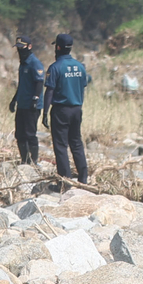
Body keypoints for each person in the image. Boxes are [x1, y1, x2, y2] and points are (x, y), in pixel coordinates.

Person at [41, 33, 91, 184]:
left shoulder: (55, 67)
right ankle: (83, 178)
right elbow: (82, 86)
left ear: (57, 47)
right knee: (76, 142)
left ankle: (65, 181)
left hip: (61, 110)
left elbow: (49, 91)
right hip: (77, 109)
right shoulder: (80, 67)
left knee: (61, 145)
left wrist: (44, 113)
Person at [8, 36, 44, 165]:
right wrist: (14, 100)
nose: (20, 51)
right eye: (18, 49)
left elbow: (39, 82)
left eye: (22, 48)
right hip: (22, 104)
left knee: (30, 134)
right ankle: (25, 160)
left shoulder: (34, 63)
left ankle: (33, 161)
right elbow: (22, 85)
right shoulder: (22, 64)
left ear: (29, 47)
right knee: (19, 134)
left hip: (32, 106)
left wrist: (35, 99)